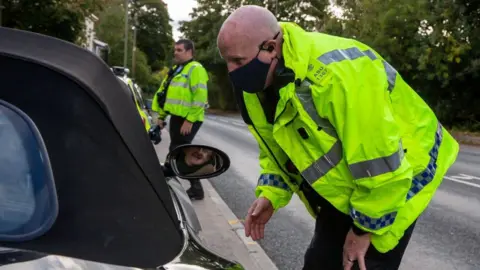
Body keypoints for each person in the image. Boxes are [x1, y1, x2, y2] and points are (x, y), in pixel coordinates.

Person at [216, 5, 459, 270]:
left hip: (399, 178)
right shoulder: (256, 86)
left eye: (238, 62)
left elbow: (383, 167)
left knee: (362, 262)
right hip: (349, 186)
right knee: (320, 262)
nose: (232, 71)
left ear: (272, 47)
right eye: (227, 61)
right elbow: (279, 149)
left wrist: (363, 230)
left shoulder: (340, 76)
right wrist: (272, 194)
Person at [152, 39, 209, 200]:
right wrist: (162, 117)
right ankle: (171, 178)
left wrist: (190, 120)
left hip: (189, 118)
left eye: (179, 50)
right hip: (177, 117)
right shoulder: (177, 69)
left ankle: (192, 187)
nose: (175, 52)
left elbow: (200, 97)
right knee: (177, 149)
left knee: (180, 151)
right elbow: (166, 95)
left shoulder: (195, 69)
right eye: (175, 50)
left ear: (189, 51)